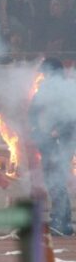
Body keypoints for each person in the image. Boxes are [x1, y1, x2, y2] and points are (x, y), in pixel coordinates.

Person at [30, 57, 76, 236]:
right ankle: (63, 221)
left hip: (61, 142)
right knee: (53, 180)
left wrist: (58, 131)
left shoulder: (67, 90)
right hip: (48, 141)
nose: (43, 75)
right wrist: (38, 131)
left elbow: (72, 118)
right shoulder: (46, 89)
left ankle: (61, 220)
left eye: (45, 72)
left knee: (57, 179)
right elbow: (33, 112)